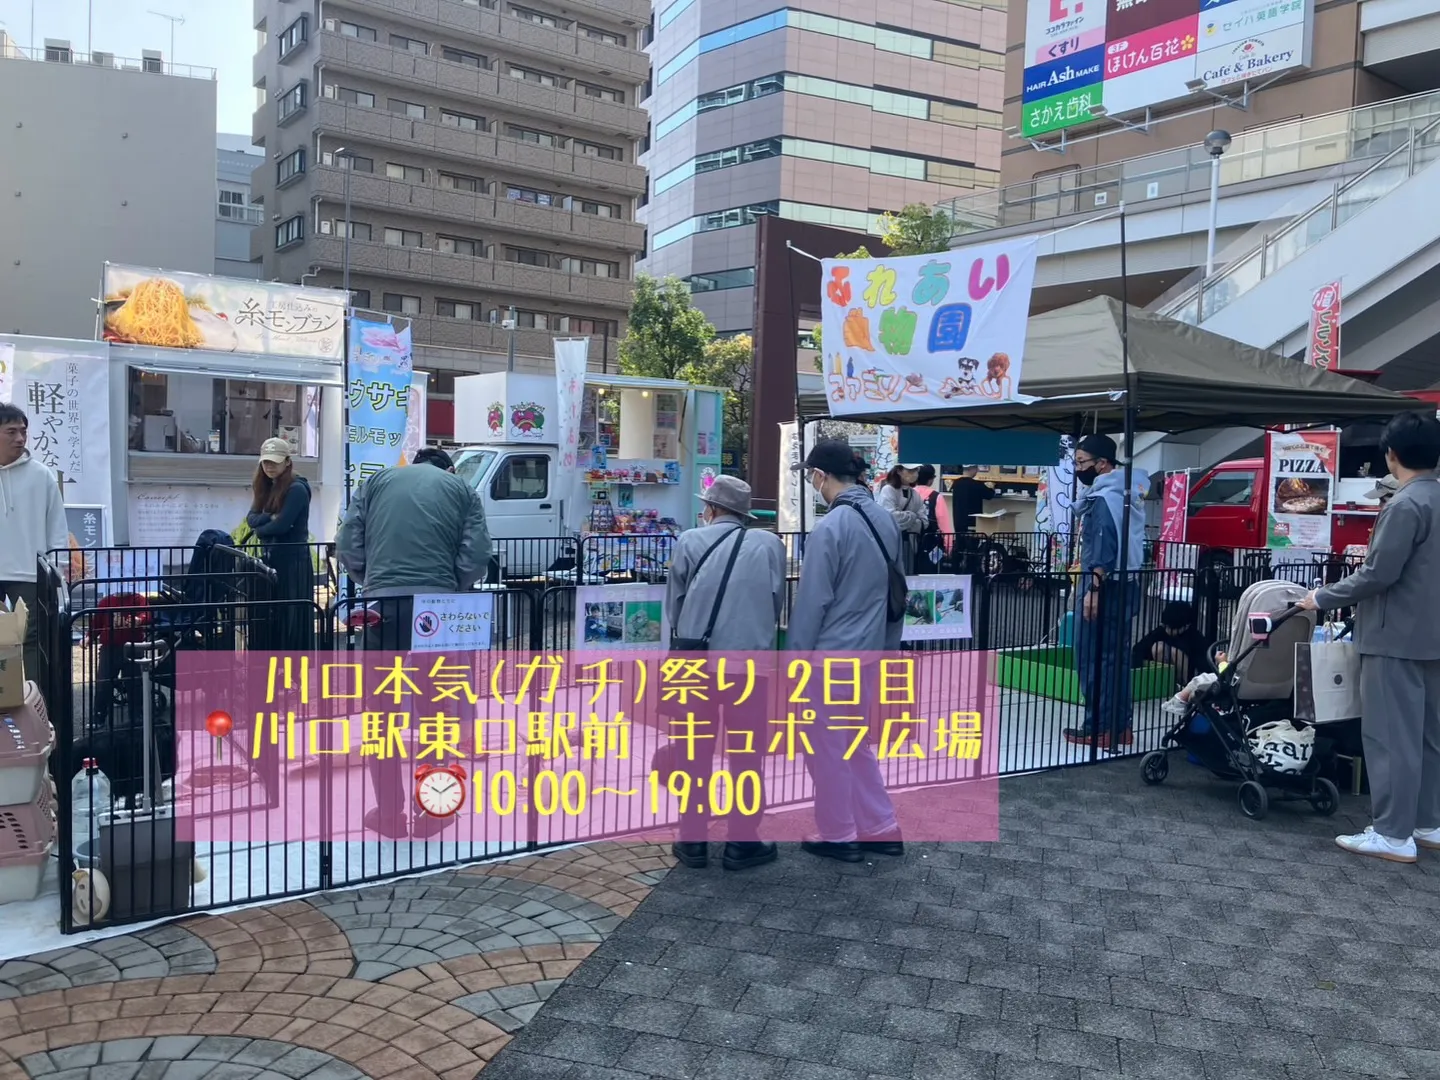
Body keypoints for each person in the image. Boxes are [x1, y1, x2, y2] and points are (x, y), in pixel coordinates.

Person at [1298, 412, 1440, 863]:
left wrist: (1319, 597)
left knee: (1391, 735)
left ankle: (1393, 833)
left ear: (1391, 456)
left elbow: (1378, 574)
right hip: (1434, 635)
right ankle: (1428, 822)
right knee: (1428, 736)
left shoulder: (1404, 505)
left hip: (1393, 635)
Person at [337, 447, 491, 839]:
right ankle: (435, 812)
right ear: (449, 469)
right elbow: (475, 555)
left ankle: (389, 813)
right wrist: (451, 586)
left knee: (381, 716)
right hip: (437, 611)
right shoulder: (462, 490)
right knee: (437, 713)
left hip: (382, 606)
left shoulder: (375, 482)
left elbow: (347, 543)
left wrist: (371, 580)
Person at [788, 440, 903, 863]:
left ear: (821, 475)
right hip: (871, 654)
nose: (812, 482)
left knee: (826, 748)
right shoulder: (884, 520)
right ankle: (882, 825)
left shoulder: (830, 528)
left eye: (811, 475)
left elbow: (812, 603)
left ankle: (837, 832)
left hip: (829, 658)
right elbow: (898, 595)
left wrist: (794, 664)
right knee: (856, 744)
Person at [665, 475, 786, 872]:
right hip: (749, 666)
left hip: (696, 665)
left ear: (712, 509)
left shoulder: (689, 541)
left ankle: (693, 840)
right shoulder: (771, 545)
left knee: (693, 754)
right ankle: (742, 841)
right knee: (747, 755)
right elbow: (775, 602)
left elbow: (675, 607)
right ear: (744, 512)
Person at [1063, 434, 1146, 751]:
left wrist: (1093, 589)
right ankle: (1120, 726)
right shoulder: (1129, 492)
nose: (1078, 468)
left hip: (1105, 585)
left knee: (1093, 657)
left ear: (1102, 463)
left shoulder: (1104, 497)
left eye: (1082, 461)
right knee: (1117, 659)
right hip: (1129, 582)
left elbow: (1103, 543)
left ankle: (1098, 726)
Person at [0, 404, 66, 683]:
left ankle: (38, 711)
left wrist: (56, 570)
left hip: (28, 572)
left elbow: (57, 526)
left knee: (31, 641)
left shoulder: (42, 475)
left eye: (23, 432)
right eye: (11, 431)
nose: (20, 438)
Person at [246, 438, 313, 650]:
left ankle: (292, 670)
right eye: (265, 462)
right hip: (270, 559)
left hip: (293, 562)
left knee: (291, 617)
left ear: (287, 461)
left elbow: (282, 526)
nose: (269, 466)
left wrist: (262, 526)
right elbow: (251, 518)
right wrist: (269, 517)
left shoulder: (297, 488)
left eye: (274, 462)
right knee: (271, 615)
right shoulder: (265, 485)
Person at [1132, 600, 1212, 689]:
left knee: (1176, 653)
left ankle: (1187, 686)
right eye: (1166, 627)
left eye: (1173, 628)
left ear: (1187, 626)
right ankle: (1164, 682)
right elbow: (1139, 649)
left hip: (1191, 675)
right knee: (1158, 647)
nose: (1168, 630)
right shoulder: (1161, 631)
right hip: (1169, 674)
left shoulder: (1195, 637)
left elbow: (1204, 665)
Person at [877, 464, 927, 572]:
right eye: (910, 470)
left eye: (916, 470)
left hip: (910, 544)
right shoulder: (888, 490)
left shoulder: (915, 494)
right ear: (899, 471)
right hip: (891, 542)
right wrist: (912, 516)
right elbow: (890, 517)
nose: (914, 473)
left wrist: (907, 521)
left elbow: (924, 521)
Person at [914, 465, 953, 567]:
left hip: (911, 541)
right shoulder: (936, 496)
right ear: (930, 480)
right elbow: (944, 524)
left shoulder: (910, 493)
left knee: (912, 570)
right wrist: (948, 546)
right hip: (932, 543)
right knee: (932, 569)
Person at [948, 465, 997, 532]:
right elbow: (990, 495)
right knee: (972, 541)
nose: (977, 470)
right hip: (973, 523)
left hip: (958, 522)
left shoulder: (956, 483)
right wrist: (992, 487)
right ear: (972, 469)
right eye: (976, 468)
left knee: (960, 541)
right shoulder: (976, 484)